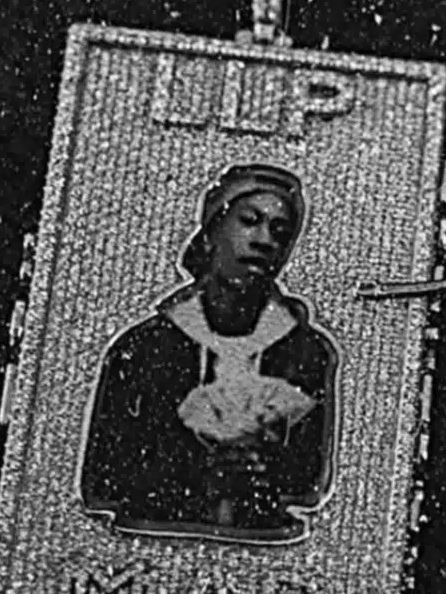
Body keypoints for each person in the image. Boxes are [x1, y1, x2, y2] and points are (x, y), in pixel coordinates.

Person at [80, 164, 338, 544]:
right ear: (212, 231)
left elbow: (308, 480)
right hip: (153, 541)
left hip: (264, 545)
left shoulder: (307, 352)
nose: (265, 240)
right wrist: (195, 472)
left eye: (280, 232)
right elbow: (105, 477)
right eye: (249, 221)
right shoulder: (143, 347)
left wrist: (264, 471)